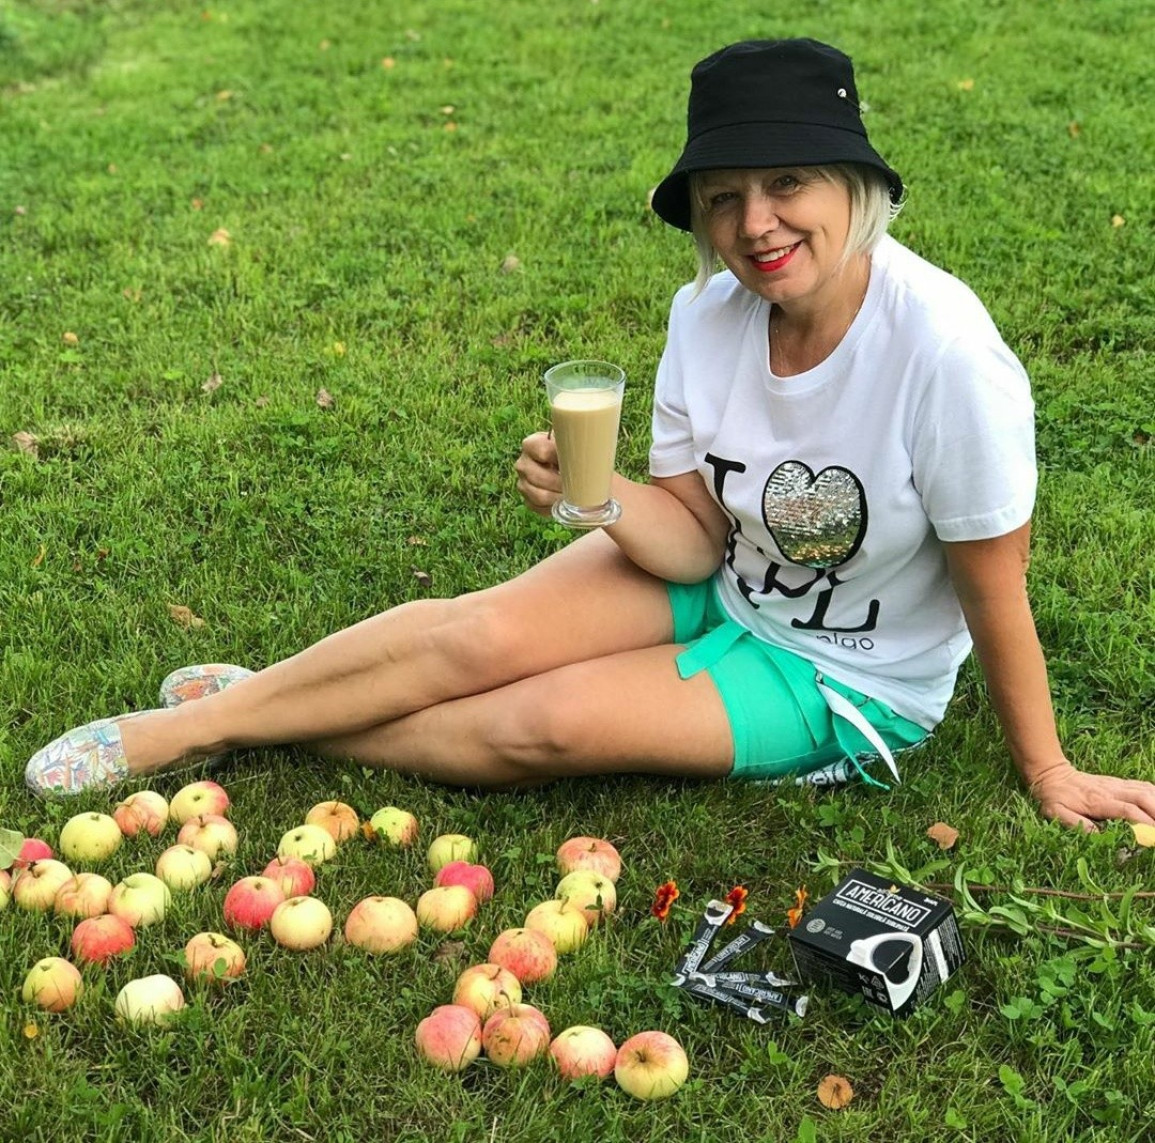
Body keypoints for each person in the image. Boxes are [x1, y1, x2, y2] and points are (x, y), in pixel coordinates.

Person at [25, 38, 1155, 832]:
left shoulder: (945, 355)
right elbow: (697, 537)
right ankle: (201, 725)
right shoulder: (705, 316)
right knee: (473, 634)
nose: (755, 223)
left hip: (848, 677)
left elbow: (993, 584)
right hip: (723, 581)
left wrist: (1046, 767)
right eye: (724, 196)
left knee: (542, 724)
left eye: (788, 183)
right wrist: (603, 496)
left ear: (856, 187)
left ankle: (266, 718)